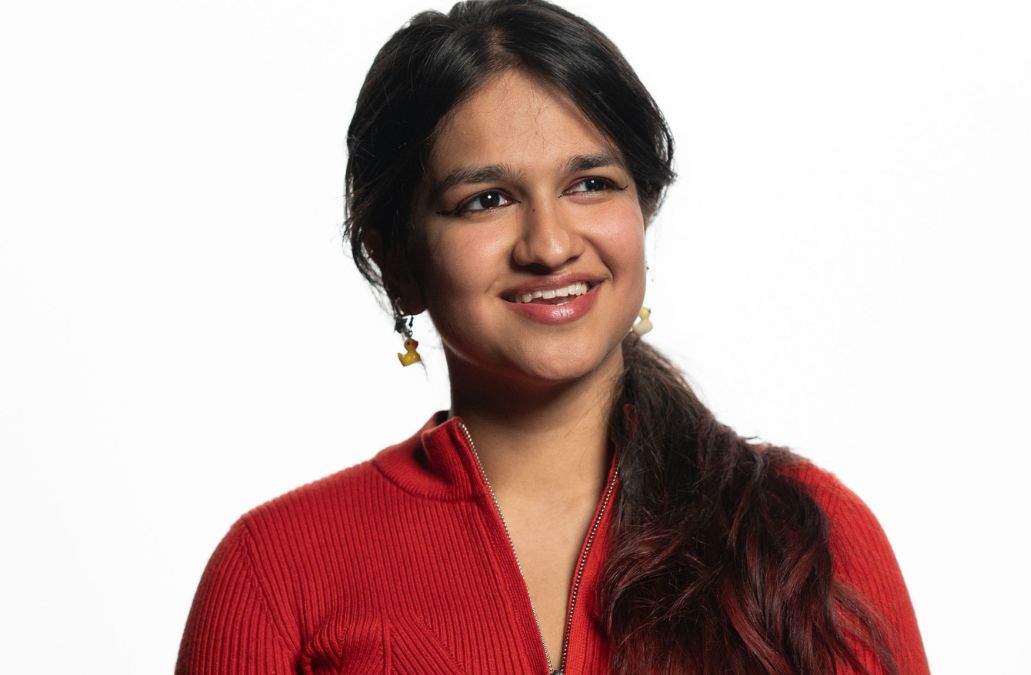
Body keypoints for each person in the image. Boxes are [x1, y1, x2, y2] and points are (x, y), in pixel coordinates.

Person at [174, 1, 929, 673]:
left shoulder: (806, 538)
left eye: (590, 184)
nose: (549, 243)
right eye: (487, 199)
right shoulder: (277, 574)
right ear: (395, 259)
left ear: (642, 213)